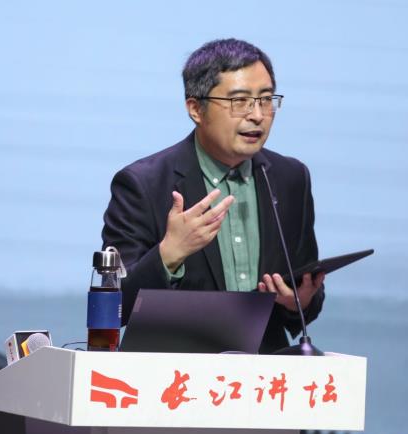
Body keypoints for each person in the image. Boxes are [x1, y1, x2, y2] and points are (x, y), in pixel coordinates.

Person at [102, 38, 325, 353]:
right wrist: (169, 255)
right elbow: (113, 308)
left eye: (265, 99)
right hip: (172, 373)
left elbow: (306, 294)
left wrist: (299, 302)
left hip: (264, 374)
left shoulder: (291, 178)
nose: (257, 115)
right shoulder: (143, 184)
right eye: (239, 101)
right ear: (196, 109)